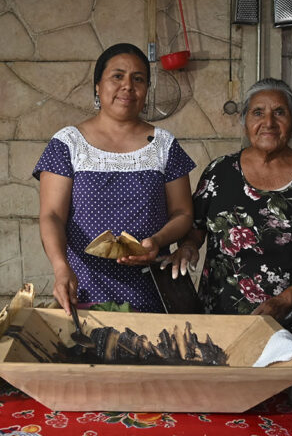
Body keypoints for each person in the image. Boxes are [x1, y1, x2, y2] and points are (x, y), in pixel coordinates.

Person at [163, 78, 292, 321]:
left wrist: (286, 299)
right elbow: (195, 230)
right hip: (222, 316)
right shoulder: (220, 172)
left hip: (290, 318)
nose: (269, 123)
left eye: (280, 112)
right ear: (245, 122)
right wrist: (188, 248)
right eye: (258, 113)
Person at [33, 43, 195, 315]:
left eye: (138, 79)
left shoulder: (164, 145)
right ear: (98, 86)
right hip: (83, 284)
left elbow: (182, 213)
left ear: (146, 90)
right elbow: (51, 215)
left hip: (153, 287)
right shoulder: (68, 143)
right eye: (117, 76)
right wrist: (61, 269)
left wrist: (156, 241)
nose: (128, 86)